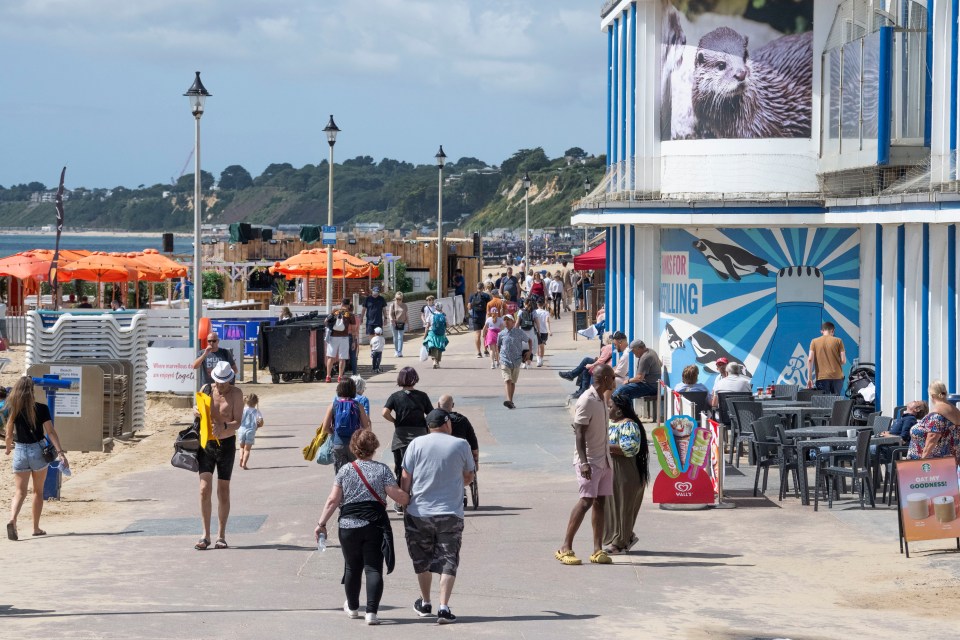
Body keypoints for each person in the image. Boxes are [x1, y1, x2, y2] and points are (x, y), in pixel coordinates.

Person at [316, 430, 410, 626]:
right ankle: (372, 613)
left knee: (352, 566)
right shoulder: (382, 470)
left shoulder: (345, 470)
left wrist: (321, 524)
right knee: (373, 568)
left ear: (354, 448)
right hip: (374, 525)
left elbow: (333, 500)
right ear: (374, 448)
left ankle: (352, 607)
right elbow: (400, 498)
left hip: (348, 526)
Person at [401, 408, 476, 624]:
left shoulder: (416, 444)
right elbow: (469, 475)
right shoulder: (461, 444)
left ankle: (425, 603)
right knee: (448, 558)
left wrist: (405, 500)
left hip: (419, 512)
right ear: (446, 423)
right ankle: (444, 608)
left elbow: (406, 476)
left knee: (422, 559)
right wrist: (456, 484)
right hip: (450, 513)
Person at [556, 364, 617, 566]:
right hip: (589, 460)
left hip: (604, 460)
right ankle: (565, 547)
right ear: (606, 378)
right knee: (585, 501)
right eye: (613, 377)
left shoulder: (601, 399)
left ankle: (597, 549)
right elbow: (579, 433)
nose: (615, 381)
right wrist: (583, 463)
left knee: (600, 502)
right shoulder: (587, 400)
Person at [4, 377, 68, 540]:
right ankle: (35, 528)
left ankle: (12, 519)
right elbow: (50, 432)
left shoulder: (14, 409)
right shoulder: (41, 408)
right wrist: (60, 452)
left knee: (19, 491)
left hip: (20, 451)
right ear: (32, 391)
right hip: (37, 451)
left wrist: (8, 449)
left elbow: (9, 433)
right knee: (37, 492)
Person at [195, 361, 244, 550]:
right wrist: (196, 412)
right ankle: (205, 535)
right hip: (206, 443)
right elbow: (196, 408)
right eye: (219, 382)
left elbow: (238, 422)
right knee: (204, 488)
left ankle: (221, 535)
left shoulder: (236, 394)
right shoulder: (206, 389)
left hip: (226, 444)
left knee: (223, 490)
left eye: (225, 382)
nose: (221, 386)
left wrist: (224, 426)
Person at [602, 393, 649, 555]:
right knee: (612, 507)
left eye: (610, 407)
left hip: (625, 472)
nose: (607, 410)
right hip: (610, 470)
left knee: (623, 508)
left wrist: (603, 446)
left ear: (620, 411)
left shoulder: (629, 425)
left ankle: (620, 542)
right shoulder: (609, 423)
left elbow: (629, 449)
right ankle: (625, 537)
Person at [382, 367, 433, 511]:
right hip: (420, 437)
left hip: (401, 437)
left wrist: (394, 421)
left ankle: (400, 502)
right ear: (415, 379)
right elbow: (430, 415)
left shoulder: (395, 396)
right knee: (420, 468)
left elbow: (384, 412)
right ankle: (419, 498)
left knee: (401, 468)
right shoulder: (423, 396)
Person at [321, 378, 372, 472]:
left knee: (340, 475)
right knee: (356, 473)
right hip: (354, 444)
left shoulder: (333, 405)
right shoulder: (358, 405)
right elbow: (366, 427)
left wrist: (333, 432)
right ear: (353, 389)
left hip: (338, 444)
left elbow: (325, 428)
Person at [907, 380, 960, 464]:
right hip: (947, 463)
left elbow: (932, 437)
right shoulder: (955, 410)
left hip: (932, 466)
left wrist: (922, 460)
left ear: (932, 395)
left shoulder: (937, 413)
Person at [559, 333, 618, 400]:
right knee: (585, 365)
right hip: (606, 367)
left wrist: (591, 365)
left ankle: (574, 378)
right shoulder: (611, 347)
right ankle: (579, 386)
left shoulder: (608, 347)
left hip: (605, 368)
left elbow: (601, 361)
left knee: (586, 362)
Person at [496, 314, 533, 409]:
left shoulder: (519, 332)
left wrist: (529, 352)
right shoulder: (501, 334)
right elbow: (498, 346)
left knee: (512, 382)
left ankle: (511, 401)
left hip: (516, 361)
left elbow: (529, 340)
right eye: (505, 320)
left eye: (508, 320)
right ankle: (508, 400)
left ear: (513, 322)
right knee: (507, 380)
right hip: (504, 360)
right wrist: (498, 357)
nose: (506, 322)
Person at [438, 395, 479, 472]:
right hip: (458, 455)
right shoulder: (463, 420)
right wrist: (476, 462)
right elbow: (473, 442)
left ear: (438, 405)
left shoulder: (433, 419)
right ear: (453, 405)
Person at [807, 321, 846, 395]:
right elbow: (843, 361)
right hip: (837, 377)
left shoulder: (814, 341)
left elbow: (810, 360)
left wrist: (810, 378)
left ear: (821, 331)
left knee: (823, 403)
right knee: (836, 401)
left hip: (822, 378)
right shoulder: (838, 341)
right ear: (833, 330)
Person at [324, 299, 352, 383]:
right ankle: (340, 377)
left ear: (341, 304)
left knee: (330, 357)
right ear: (348, 305)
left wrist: (329, 328)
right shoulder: (349, 314)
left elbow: (326, 321)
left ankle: (328, 376)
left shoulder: (334, 311)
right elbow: (353, 327)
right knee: (342, 358)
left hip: (333, 337)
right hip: (344, 337)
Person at [237, 393, 263, 470]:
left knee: (241, 447)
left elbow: (238, 419)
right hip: (251, 431)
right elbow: (261, 422)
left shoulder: (242, 410)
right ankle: (244, 463)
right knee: (247, 449)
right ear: (256, 403)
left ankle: (241, 457)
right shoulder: (257, 412)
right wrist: (258, 425)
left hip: (241, 430)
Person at [467, 283, 491, 358]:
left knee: (477, 334)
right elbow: (489, 307)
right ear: (483, 288)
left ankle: (478, 352)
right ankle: (485, 350)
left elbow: (469, 307)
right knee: (485, 334)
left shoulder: (472, 295)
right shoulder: (486, 296)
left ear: (477, 287)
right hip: (484, 318)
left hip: (475, 317)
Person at [423, 302, 449, 369]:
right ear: (441, 308)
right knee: (439, 348)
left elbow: (427, 326)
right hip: (441, 334)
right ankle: (437, 362)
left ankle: (434, 361)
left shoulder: (431, 315)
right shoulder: (444, 315)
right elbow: (448, 325)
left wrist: (425, 335)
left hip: (432, 333)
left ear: (435, 307)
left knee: (433, 347)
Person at [517, 299, 538, 369]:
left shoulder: (521, 311)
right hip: (531, 331)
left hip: (522, 331)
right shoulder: (534, 311)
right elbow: (537, 322)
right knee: (530, 347)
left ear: (524, 303)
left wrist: (514, 331)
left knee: (523, 348)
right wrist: (539, 331)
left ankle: (523, 363)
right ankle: (528, 363)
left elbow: (517, 322)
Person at [388, 292, 408, 358]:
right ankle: (396, 350)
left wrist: (408, 323)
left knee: (400, 337)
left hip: (402, 323)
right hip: (394, 323)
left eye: (399, 299)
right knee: (395, 337)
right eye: (397, 299)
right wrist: (391, 319)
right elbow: (390, 314)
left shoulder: (405, 305)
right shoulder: (392, 305)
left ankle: (400, 351)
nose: (398, 300)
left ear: (402, 299)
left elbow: (407, 315)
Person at [533, 298, 552, 367]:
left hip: (536, 331)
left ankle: (538, 360)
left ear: (537, 304)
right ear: (543, 304)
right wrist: (549, 330)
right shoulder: (546, 312)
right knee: (542, 346)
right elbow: (547, 322)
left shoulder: (535, 312)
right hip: (544, 331)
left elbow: (534, 322)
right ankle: (541, 359)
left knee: (537, 346)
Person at [345, 301, 361, 376]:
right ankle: (355, 372)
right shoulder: (357, 318)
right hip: (354, 337)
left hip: (345, 336)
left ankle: (343, 372)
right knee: (353, 356)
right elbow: (357, 329)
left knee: (343, 356)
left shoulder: (345, 316)